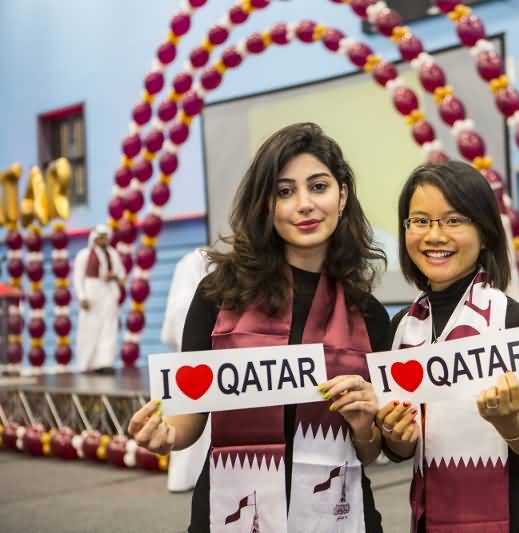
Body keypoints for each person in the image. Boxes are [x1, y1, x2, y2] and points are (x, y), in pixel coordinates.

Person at [128, 123, 389, 533]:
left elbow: (370, 449)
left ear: (342, 195)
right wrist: (166, 434)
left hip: (340, 513)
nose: (304, 204)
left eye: (318, 187)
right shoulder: (219, 294)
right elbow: (189, 416)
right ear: (266, 205)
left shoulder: (369, 313)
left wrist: (364, 425)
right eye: (284, 192)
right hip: (231, 511)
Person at [376, 161, 519, 533]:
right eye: (420, 221)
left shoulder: (514, 322)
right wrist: (396, 437)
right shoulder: (401, 329)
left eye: (453, 220)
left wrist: (510, 423)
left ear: (485, 232)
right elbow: (399, 452)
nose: (434, 235)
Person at [160, 248, 213, 493]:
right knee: (188, 420)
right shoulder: (196, 281)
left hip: (200, 366)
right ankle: (184, 478)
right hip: (194, 364)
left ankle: (188, 477)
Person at [72, 224, 126, 373]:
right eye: (100, 237)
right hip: (92, 294)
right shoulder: (83, 255)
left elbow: (121, 275)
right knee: (89, 328)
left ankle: (104, 363)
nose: (103, 241)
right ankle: (86, 363)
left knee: (109, 328)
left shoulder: (113, 254)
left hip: (109, 294)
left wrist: (115, 277)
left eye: (105, 237)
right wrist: (82, 297)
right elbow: (78, 278)